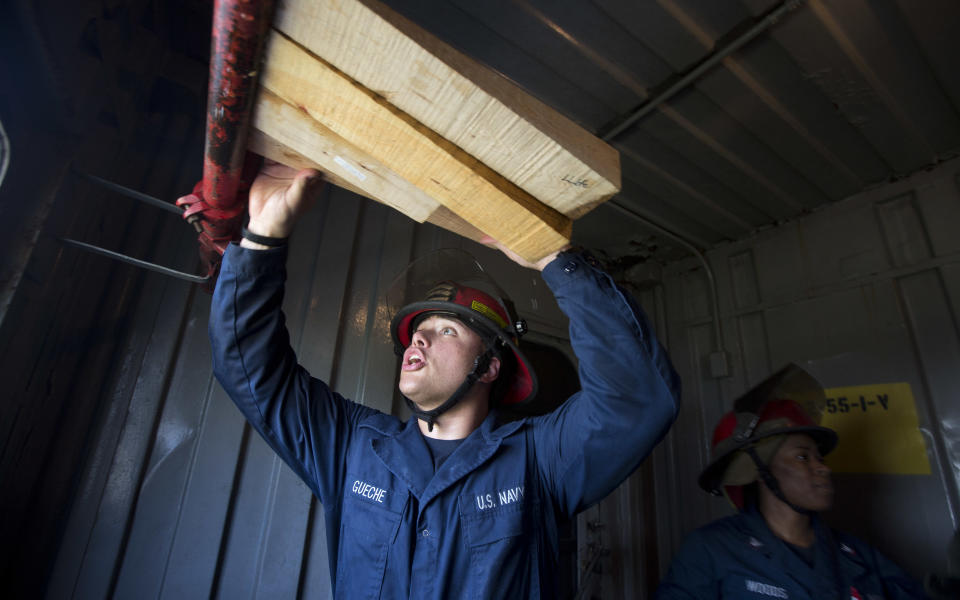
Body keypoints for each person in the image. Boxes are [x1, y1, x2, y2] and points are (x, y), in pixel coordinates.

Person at [209, 161, 681, 598]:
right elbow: (250, 368)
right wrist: (263, 237)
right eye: (416, 332)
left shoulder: (538, 460)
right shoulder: (354, 446)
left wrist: (554, 258)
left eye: (446, 330)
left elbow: (637, 397)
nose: (418, 341)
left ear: (490, 366)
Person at [655, 364, 927, 600]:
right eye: (802, 456)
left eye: (819, 457)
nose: (822, 468)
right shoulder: (711, 549)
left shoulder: (857, 554)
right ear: (760, 472)